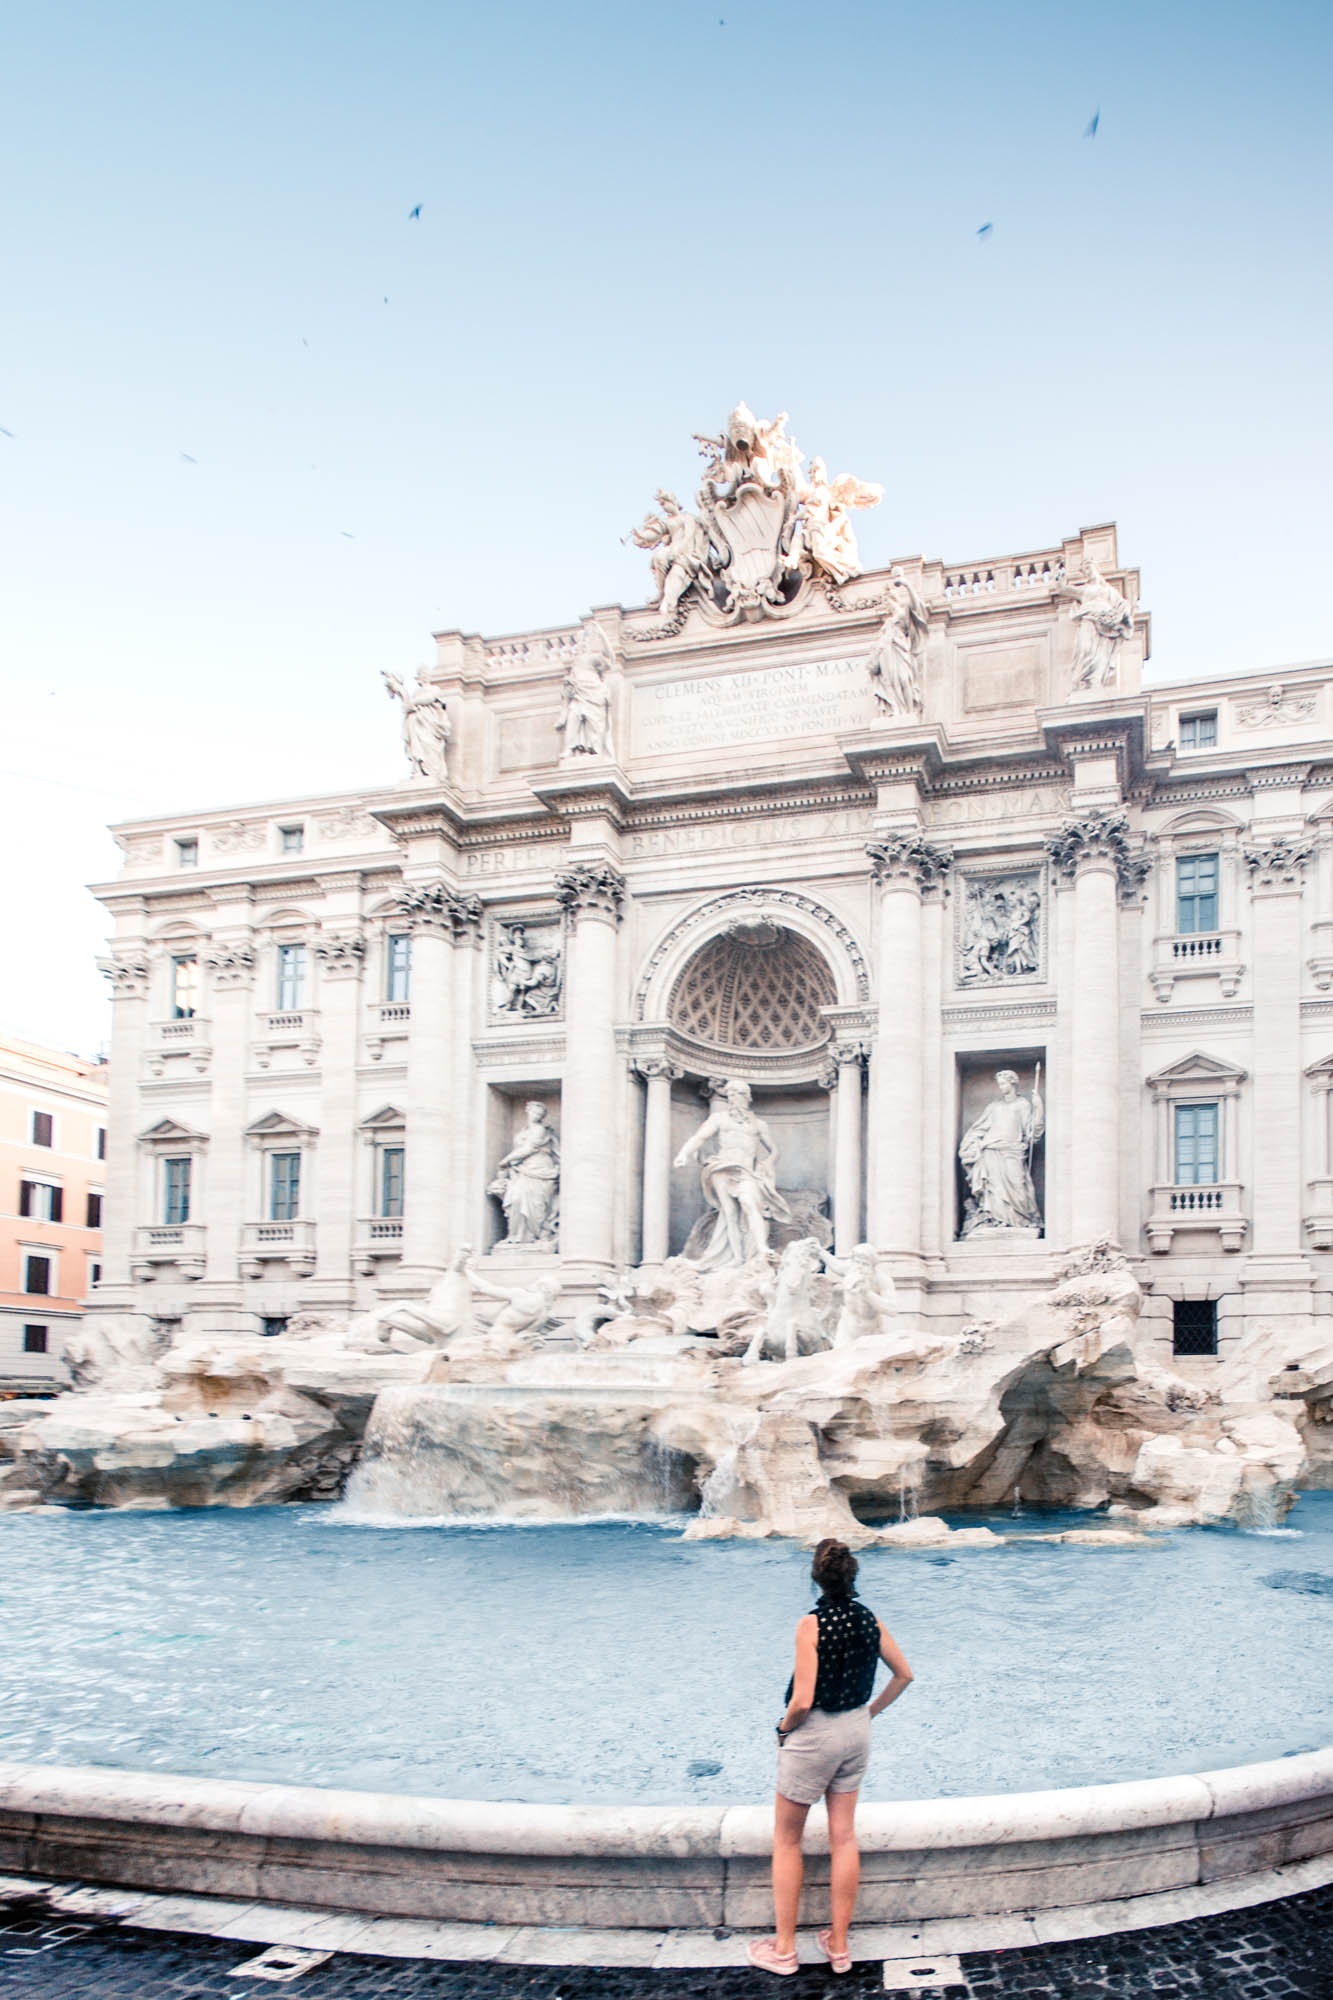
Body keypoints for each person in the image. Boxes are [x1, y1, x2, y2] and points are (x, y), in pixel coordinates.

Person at [748, 1538, 914, 1977]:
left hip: (815, 1734)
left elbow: (802, 1700)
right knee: (844, 1836)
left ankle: (784, 1949)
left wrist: (783, 1730)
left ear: (816, 1579)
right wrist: (870, 1712)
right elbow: (905, 1675)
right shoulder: (869, 1619)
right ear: (853, 1576)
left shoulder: (811, 1624)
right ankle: (839, 1947)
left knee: (786, 1840)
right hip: (856, 1731)